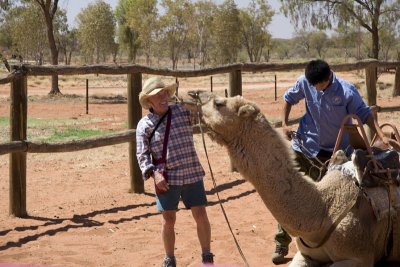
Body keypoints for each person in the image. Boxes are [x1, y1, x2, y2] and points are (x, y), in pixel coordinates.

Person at [272, 59, 388, 264]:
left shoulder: (346, 91)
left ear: (328, 77)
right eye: (313, 85)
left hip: (335, 155)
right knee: (292, 194)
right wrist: (283, 124)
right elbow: (288, 99)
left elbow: (365, 115)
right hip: (305, 147)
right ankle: (281, 243)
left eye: (320, 85)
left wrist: (381, 135)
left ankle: (331, 244)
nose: (316, 88)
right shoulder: (305, 82)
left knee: (328, 201)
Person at [136, 76, 214, 267]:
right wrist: (154, 174)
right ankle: (169, 259)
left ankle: (207, 257)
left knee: (200, 213)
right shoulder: (144, 125)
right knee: (168, 218)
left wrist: (196, 101)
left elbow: (203, 114)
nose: (163, 97)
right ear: (149, 101)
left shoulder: (181, 111)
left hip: (192, 170)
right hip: (166, 177)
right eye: (158, 95)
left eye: (165, 93)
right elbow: (142, 155)